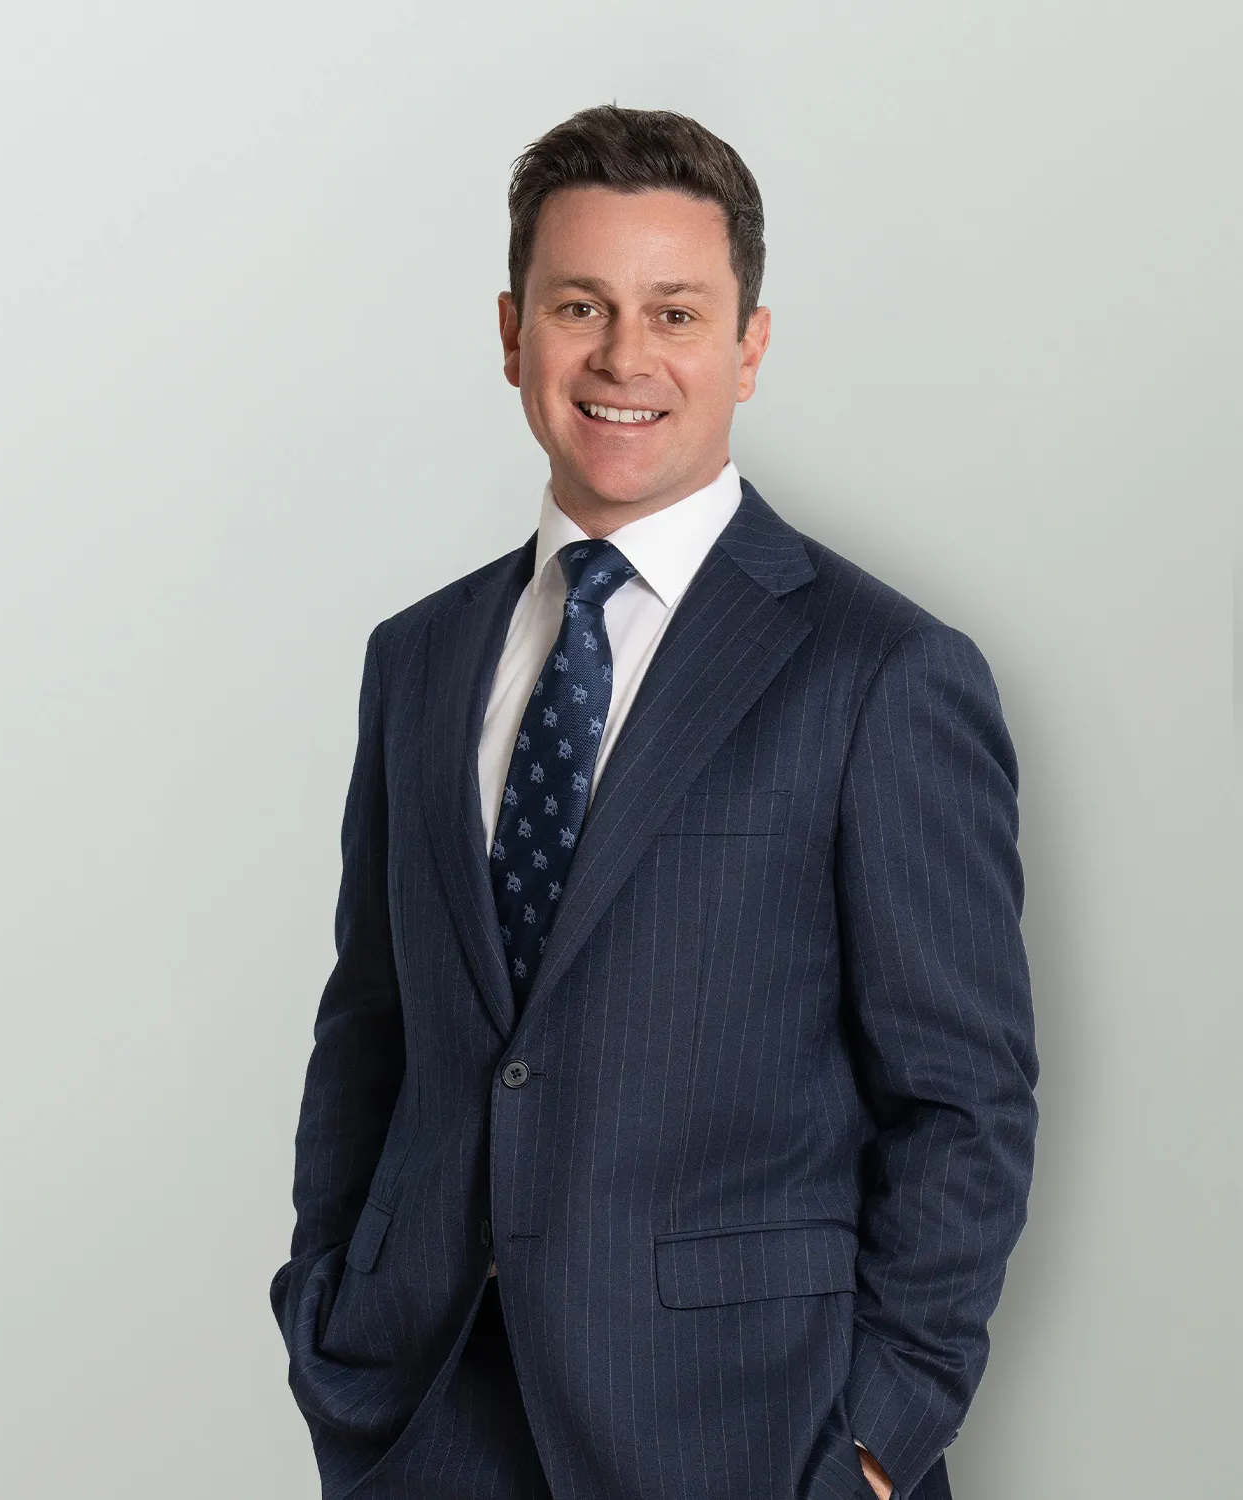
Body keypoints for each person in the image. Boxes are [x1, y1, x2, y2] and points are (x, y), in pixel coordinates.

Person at [269, 104, 1038, 1500]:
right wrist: (330, 1318)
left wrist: (877, 1438)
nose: (626, 357)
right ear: (514, 334)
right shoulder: (419, 658)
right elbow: (370, 1028)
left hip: (749, 1438)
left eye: (676, 313)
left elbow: (964, 1102)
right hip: (425, 1419)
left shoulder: (882, 673)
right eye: (582, 307)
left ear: (749, 346)